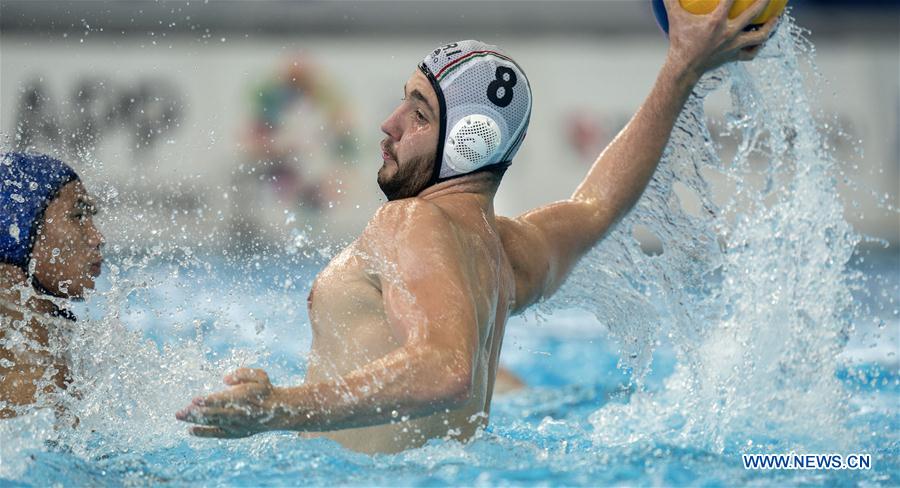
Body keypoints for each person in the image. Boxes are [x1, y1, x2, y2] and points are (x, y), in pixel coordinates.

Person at [177, 0, 779, 453]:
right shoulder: (505, 253)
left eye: (417, 112)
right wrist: (680, 70)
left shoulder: (408, 221)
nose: (387, 124)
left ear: (469, 143)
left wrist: (279, 408)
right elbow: (599, 204)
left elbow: (445, 370)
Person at [0, 152, 104, 418]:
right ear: (19, 229)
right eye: (78, 216)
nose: (97, 237)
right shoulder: (29, 379)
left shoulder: (39, 350)